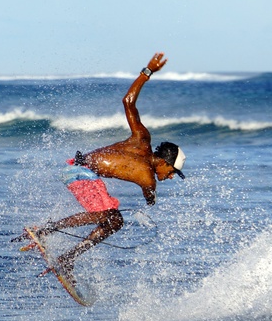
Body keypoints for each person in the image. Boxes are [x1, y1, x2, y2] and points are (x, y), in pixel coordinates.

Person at [14, 52, 186, 274]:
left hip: (80, 172)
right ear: (164, 161)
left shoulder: (142, 139)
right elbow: (128, 102)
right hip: (80, 171)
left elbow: (128, 101)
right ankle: (45, 230)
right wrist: (147, 72)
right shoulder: (145, 163)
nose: (171, 177)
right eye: (172, 171)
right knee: (107, 216)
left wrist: (148, 71)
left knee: (114, 221)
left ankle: (68, 258)